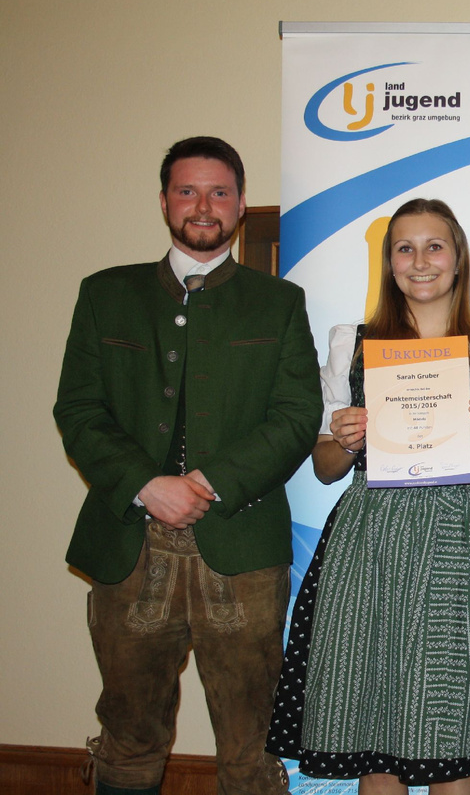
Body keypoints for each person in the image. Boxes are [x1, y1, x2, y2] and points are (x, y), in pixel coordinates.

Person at [53, 136, 323, 795]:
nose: (203, 206)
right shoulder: (105, 294)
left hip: (243, 550)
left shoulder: (280, 302)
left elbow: (297, 415)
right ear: (164, 200)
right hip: (129, 549)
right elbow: (78, 411)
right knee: (128, 738)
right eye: (187, 191)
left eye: (219, 192)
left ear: (240, 203)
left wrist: (209, 483)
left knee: (251, 748)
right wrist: (147, 486)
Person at [266, 198, 470, 794]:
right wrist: (345, 438)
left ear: (458, 258)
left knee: (449, 738)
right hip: (369, 543)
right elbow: (326, 470)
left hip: (457, 545)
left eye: (434, 246)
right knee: (375, 739)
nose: (420, 261)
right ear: (389, 263)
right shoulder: (354, 347)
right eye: (404, 248)